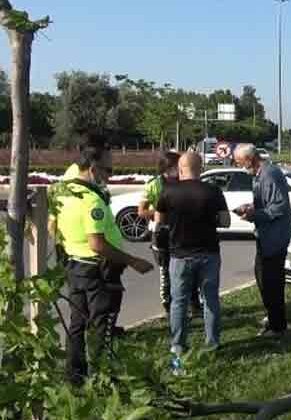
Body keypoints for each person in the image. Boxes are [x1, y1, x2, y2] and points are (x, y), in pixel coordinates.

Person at [56, 142, 154, 386]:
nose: (109, 176)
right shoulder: (92, 201)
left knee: (77, 325)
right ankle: (101, 378)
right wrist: (133, 261)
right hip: (96, 269)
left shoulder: (63, 191)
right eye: (108, 170)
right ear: (92, 168)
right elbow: (97, 244)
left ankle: (75, 377)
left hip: (74, 266)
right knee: (102, 326)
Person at [155, 152, 230, 357]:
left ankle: (178, 345)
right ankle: (212, 343)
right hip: (208, 253)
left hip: (179, 255)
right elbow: (225, 222)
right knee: (210, 299)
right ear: (201, 168)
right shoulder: (213, 191)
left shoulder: (168, 191)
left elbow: (159, 221)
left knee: (178, 301)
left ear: (180, 169)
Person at [233, 144, 291, 338]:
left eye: (240, 162)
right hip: (266, 235)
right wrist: (251, 206)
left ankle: (278, 327)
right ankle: (273, 317)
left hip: (274, 237)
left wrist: (254, 215)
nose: (240, 166)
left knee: (271, 282)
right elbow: (267, 202)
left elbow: (279, 207)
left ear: (250, 159)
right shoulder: (260, 174)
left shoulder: (269, 174)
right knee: (262, 277)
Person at [138, 152, 203, 315]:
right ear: (168, 167)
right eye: (178, 165)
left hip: (183, 231)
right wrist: (161, 211)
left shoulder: (186, 181)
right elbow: (142, 211)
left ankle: (194, 305)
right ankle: (169, 306)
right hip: (162, 233)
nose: (181, 168)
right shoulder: (153, 185)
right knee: (166, 272)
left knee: (190, 268)